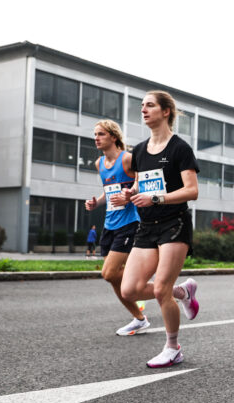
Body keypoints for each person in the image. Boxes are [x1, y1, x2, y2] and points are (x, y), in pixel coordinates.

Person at [116, 90, 200, 368]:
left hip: (174, 224)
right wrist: (130, 194)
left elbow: (192, 190)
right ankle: (183, 293)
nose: (143, 109)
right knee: (129, 290)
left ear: (165, 112)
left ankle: (173, 347)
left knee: (161, 287)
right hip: (146, 226)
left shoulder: (180, 148)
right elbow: (142, 184)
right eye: (142, 105)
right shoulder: (138, 151)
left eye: (150, 105)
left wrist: (157, 198)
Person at [84, 120, 148, 336]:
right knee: (115, 277)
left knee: (109, 273)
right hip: (109, 224)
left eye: (100, 134)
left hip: (130, 223)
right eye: (95, 134)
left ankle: (160, 292)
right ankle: (139, 316)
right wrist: (96, 203)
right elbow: (109, 192)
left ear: (113, 136)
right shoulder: (99, 163)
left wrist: (129, 197)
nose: (96, 138)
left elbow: (143, 184)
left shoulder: (128, 159)